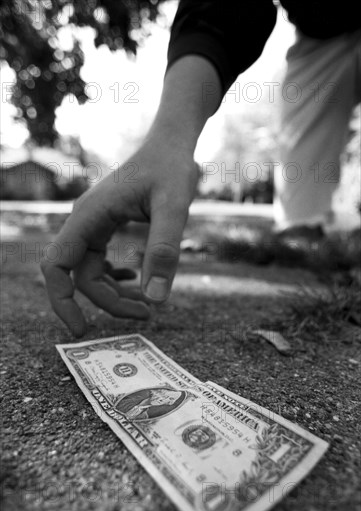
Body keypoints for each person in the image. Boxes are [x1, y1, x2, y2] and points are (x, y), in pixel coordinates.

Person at [41, 0, 361, 336]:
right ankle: (313, 233)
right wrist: (171, 138)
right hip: (322, 36)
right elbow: (224, 10)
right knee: (300, 231)